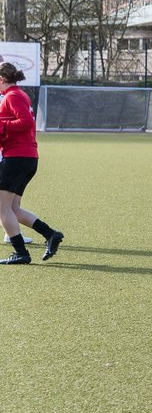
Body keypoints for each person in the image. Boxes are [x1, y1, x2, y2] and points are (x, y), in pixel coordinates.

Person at [0, 63, 63, 264]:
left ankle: (21, 253)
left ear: (1, 79)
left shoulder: (12, 96)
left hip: (17, 157)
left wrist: (1, 124)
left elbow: (26, 122)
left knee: (2, 208)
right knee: (14, 208)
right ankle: (51, 234)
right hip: (25, 157)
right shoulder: (19, 94)